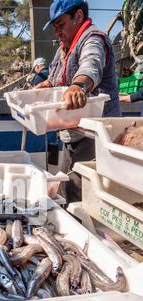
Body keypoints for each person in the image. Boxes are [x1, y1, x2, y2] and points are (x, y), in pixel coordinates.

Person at [36, 0, 121, 204]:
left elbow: (91, 66)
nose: (57, 32)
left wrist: (78, 87)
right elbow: (57, 76)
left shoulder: (93, 39)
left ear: (79, 16)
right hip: (72, 133)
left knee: (76, 192)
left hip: (95, 134)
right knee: (64, 188)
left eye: (61, 25)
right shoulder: (64, 48)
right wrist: (47, 84)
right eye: (55, 27)